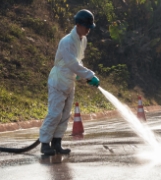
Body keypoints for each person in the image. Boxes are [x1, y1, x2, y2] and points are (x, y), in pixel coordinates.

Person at [39, 9, 100, 156]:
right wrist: (89, 75)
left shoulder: (82, 40)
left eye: (89, 28)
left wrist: (80, 76)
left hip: (69, 81)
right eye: (86, 27)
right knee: (54, 114)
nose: (87, 30)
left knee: (65, 115)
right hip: (58, 80)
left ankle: (57, 143)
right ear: (78, 24)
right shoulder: (66, 41)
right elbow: (72, 63)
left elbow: (78, 60)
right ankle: (45, 144)